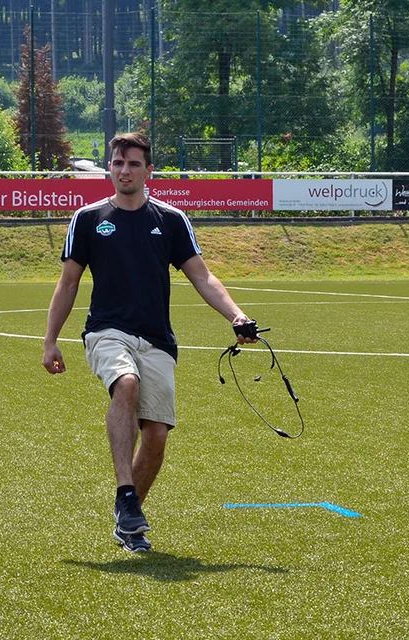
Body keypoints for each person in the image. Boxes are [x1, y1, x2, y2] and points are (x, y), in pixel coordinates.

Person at [42, 132, 257, 553]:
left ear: (148, 170)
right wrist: (50, 340)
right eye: (118, 163)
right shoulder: (87, 219)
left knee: (156, 435)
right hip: (106, 331)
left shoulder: (171, 220)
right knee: (126, 383)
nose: (125, 171)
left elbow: (203, 276)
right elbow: (68, 283)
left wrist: (237, 315)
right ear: (109, 167)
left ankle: (128, 520)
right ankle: (126, 493)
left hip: (157, 339)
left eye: (134, 164)